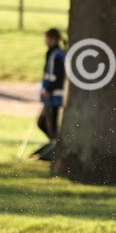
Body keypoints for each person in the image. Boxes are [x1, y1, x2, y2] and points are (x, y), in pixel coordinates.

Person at [32, 28, 66, 161]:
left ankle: (56, 148)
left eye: (47, 38)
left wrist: (48, 89)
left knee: (50, 123)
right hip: (50, 94)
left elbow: (57, 75)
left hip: (54, 95)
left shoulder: (57, 54)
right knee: (43, 122)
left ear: (53, 39)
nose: (45, 41)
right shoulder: (52, 53)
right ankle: (55, 145)